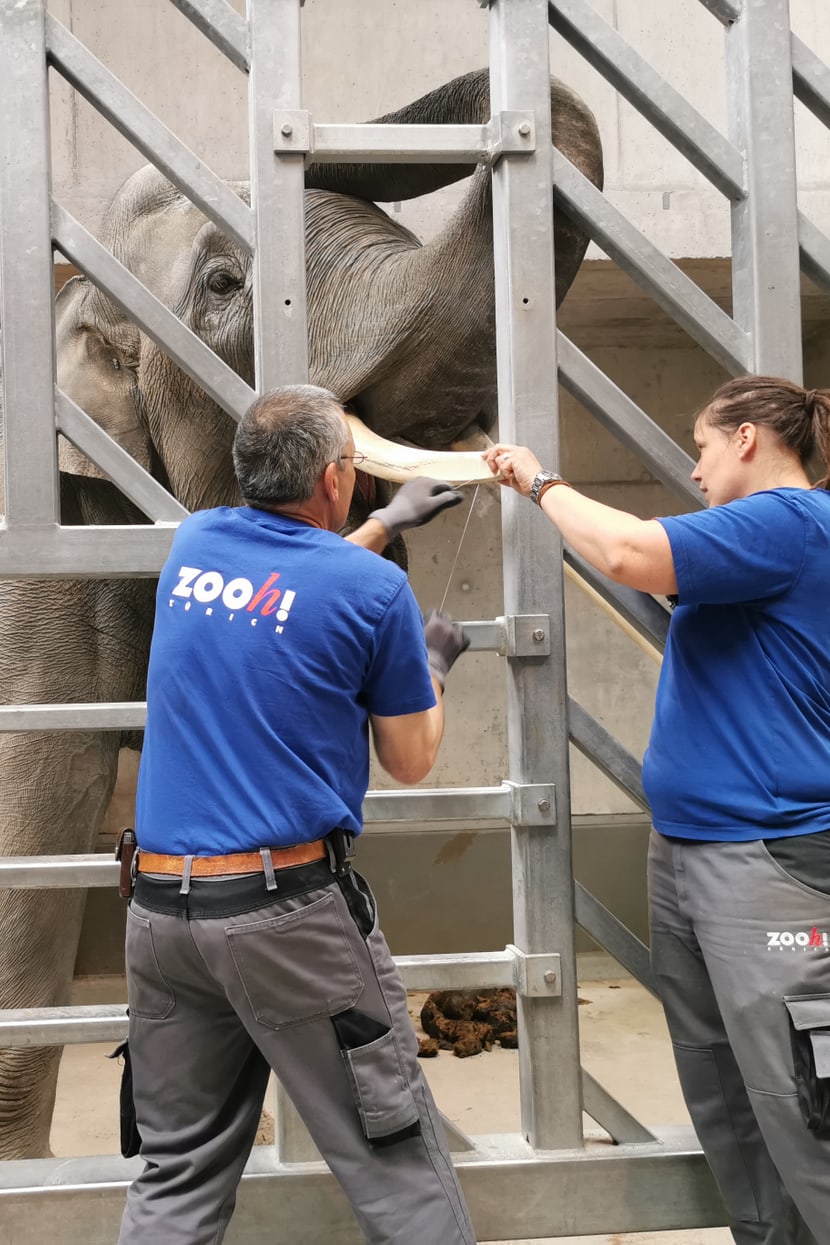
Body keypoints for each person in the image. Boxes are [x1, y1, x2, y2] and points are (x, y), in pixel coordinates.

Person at [118, 384, 476, 1245]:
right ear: (332, 476)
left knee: (178, 1172)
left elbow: (281, 589)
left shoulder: (195, 545)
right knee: (397, 1162)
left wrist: (384, 522)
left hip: (162, 915)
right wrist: (431, 665)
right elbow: (410, 758)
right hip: (285, 921)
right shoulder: (372, 594)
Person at [484, 376, 830, 1245]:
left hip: (768, 859)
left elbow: (633, 555)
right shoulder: (745, 543)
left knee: (802, 1100)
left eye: (704, 443)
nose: (695, 463)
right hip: (695, 850)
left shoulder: (787, 520)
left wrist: (537, 481)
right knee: (726, 1087)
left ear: (748, 439)